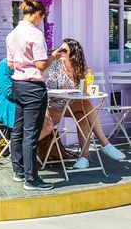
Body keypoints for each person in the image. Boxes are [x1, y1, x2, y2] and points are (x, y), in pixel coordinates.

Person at [6, 0, 63, 191]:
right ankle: (31, 179)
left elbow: (10, 65)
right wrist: (54, 57)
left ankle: (19, 171)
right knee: (31, 133)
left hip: (18, 84)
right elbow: (41, 65)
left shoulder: (12, 34)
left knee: (18, 129)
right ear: (37, 14)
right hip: (33, 88)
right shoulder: (35, 35)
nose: (42, 22)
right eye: (42, 18)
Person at [46, 38, 126, 168]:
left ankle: (84, 157)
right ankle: (105, 143)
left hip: (74, 105)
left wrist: (82, 92)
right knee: (85, 106)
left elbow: (86, 90)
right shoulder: (55, 66)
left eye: (64, 50)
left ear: (73, 53)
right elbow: (51, 93)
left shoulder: (81, 67)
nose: (60, 52)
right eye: (60, 49)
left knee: (82, 114)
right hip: (56, 107)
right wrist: (70, 92)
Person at [0, 58, 54, 158]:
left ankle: (21, 149)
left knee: (48, 124)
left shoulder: (26, 65)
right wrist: (30, 93)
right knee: (46, 125)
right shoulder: (4, 66)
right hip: (9, 108)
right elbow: (8, 92)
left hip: (25, 103)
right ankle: (20, 149)